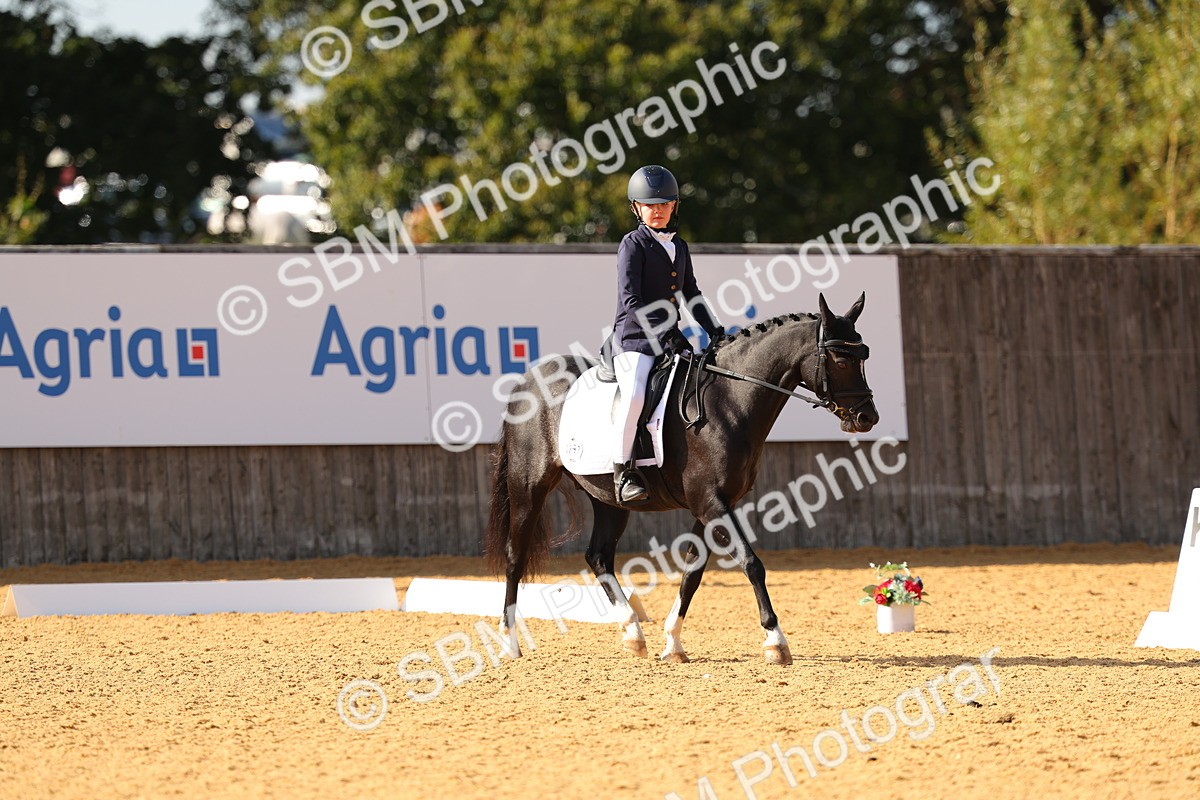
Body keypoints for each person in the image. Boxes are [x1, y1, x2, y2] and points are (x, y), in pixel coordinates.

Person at [610, 165, 725, 504]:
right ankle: (622, 473)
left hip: (670, 339)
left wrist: (714, 330)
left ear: (675, 205)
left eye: (664, 204)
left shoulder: (680, 246)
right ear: (636, 208)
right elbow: (632, 300)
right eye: (649, 205)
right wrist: (664, 335)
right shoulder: (633, 244)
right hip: (636, 341)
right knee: (633, 396)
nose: (657, 211)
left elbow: (691, 293)